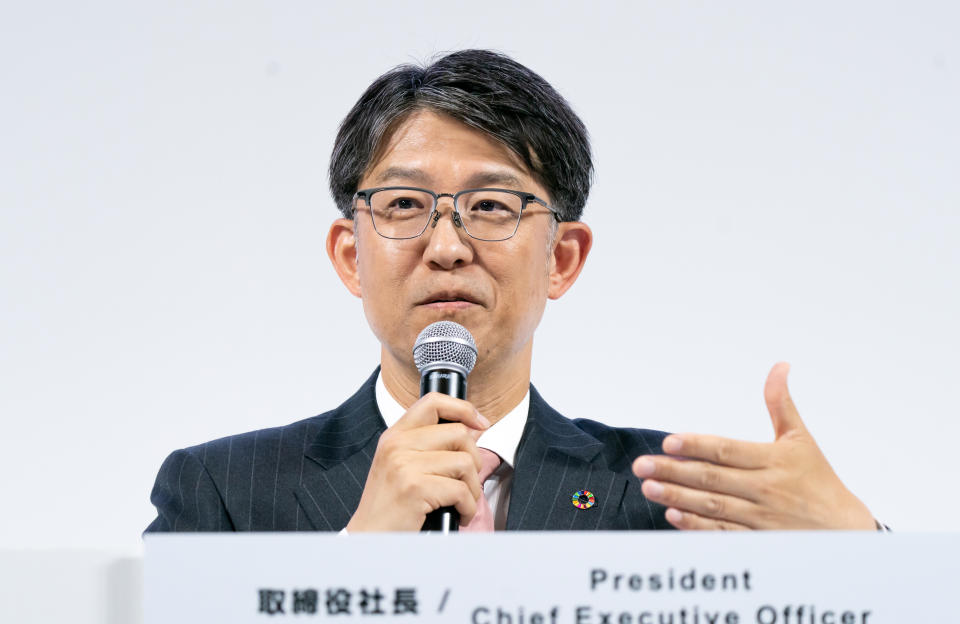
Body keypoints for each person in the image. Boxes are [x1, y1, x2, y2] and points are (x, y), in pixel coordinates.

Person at [145, 49, 877, 534]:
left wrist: (859, 550)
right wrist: (355, 561)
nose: (447, 245)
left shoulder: (671, 500)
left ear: (562, 256)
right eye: (403, 205)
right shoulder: (220, 492)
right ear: (350, 255)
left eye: (492, 207)